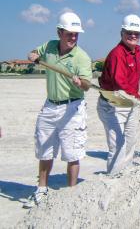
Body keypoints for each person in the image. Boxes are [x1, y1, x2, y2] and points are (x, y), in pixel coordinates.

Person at [24, 12, 92, 208]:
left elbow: (87, 85)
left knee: (72, 153)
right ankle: (42, 190)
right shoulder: (50, 46)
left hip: (73, 107)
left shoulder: (82, 57)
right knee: (44, 149)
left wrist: (81, 83)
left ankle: (71, 196)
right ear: (59, 32)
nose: (73, 37)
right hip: (50, 105)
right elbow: (34, 52)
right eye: (69, 33)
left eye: (76, 34)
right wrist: (33, 55)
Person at [97, 14, 140, 174]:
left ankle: (124, 175)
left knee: (130, 140)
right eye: (129, 32)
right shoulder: (117, 54)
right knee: (118, 144)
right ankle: (113, 177)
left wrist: (136, 93)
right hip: (112, 104)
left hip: (131, 103)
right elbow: (120, 83)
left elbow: (134, 77)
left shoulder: (138, 52)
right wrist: (139, 97)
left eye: (137, 33)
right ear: (122, 33)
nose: (133, 36)